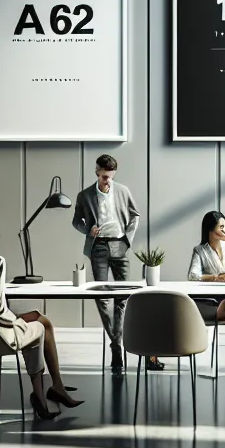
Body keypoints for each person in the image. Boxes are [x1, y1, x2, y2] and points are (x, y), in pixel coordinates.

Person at [0, 213, 83, 420]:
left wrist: (18, 318)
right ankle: (40, 396)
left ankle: (57, 387)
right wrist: (17, 321)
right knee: (39, 329)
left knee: (42, 319)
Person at [72, 153, 149, 373]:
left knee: (122, 297)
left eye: (110, 177)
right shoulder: (85, 195)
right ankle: (117, 344)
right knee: (101, 296)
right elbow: (76, 221)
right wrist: (88, 230)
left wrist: (127, 238)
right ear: (97, 172)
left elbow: (135, 215)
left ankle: (115, 344)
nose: (107, 181)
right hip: (98, 247)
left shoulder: (122, 191)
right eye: (104, 176)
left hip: (119, 245)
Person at [186, 211, 225, 371]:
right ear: (210, 230)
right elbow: (193, 275)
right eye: (221, 227)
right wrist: (214, 277)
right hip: (208, 303)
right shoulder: (200, 251)